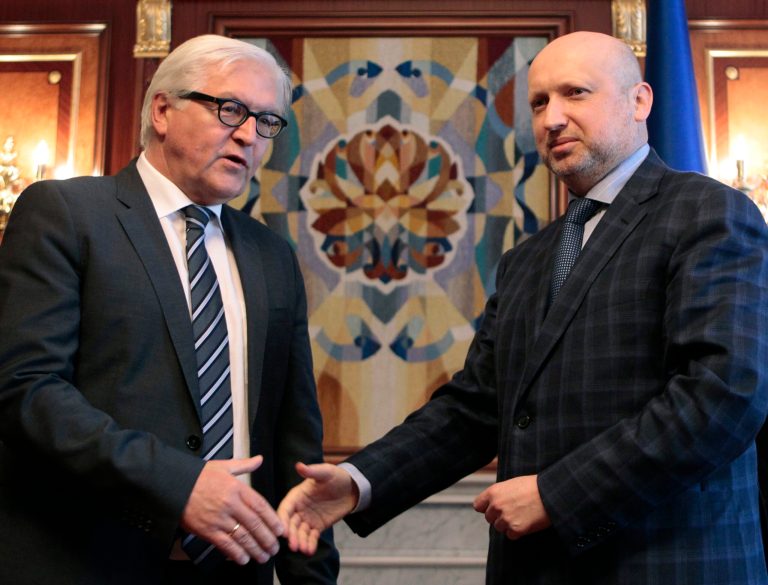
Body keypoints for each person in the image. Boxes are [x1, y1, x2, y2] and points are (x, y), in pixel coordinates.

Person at [277, 31, 768, 584]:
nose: (552, 118)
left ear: (640, 101)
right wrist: (359, 481)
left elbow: (723, 394)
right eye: (538, 102)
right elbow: (476, 408)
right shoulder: (529, 258)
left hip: (664, 566)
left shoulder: (706, 212)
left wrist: (557, 495)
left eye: (575, 93)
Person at [0, 34, 338, 585]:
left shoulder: (272, 255)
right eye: (231, 110)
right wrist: (179, 483)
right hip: (85, 561)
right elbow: (27, 392)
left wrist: (313, 576)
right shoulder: (66, 213)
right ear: (163, 110)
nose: (251, 136)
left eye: (268, 122)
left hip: (236, 570)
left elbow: (293, 438)